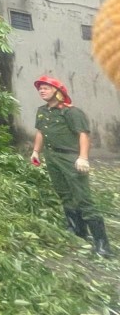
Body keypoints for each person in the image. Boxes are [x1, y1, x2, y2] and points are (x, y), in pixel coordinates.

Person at [30, 75, 112, 257]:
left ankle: (102, 244)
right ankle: (77, 231)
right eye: (40, 88)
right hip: (52, 157)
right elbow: (41, 132)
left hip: (70, 157)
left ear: (58, 92)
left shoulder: (71, 112)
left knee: (83, 197)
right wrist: (36, 151)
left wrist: (83, 157)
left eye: (46, 88)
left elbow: (83, 135)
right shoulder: (42, 111)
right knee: (64, 193)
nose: (42, 90)